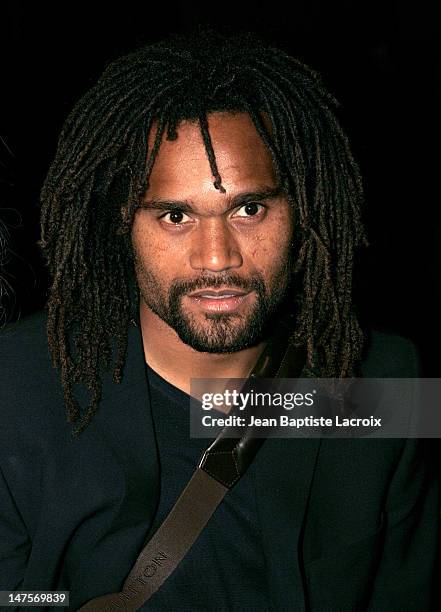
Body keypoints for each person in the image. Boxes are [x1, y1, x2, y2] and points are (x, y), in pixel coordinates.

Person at [0, 30, 439, 611]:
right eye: (176, 215)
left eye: (249, 208)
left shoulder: (385, 385)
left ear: (304, 211)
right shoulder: (15, 387)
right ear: (122, 224)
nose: (217, 256)